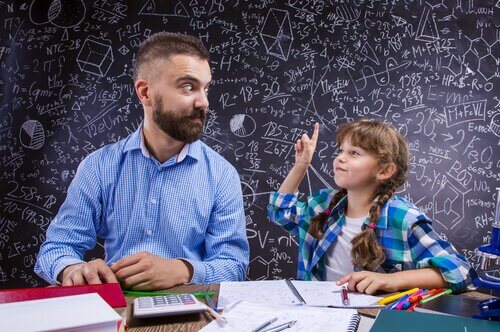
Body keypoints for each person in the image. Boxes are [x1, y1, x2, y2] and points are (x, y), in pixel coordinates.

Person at [35, 32, 249, 290]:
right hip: (115, 309)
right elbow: (56, 248)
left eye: (206, 88)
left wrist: (184, 269)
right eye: (188, 86)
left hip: (192, 310)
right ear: (145, 92)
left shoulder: (221, 175)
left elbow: (234, 264)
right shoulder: (99, 167)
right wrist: (73, 269)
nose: (203, 102)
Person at [267, 119, 475, 294]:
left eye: (354, 153)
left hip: (373, 320)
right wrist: (301, 166)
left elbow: (460, 270)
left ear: (384, 171)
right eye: (341, 150)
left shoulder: (402, 218)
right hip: (319, 316)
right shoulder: (324, 205)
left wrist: (393, 280)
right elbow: (281, 213)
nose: (340, 157)